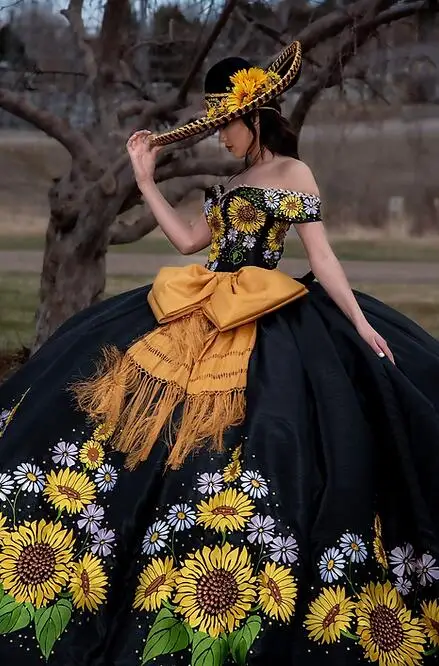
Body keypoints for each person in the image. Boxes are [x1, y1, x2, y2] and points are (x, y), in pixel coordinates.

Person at [0, 40, 438, 666]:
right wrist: (146, 180)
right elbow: (184, 241)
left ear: (254, 117)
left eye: (226, 125)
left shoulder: (294, 174)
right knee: (115, 406)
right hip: (200, 302)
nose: (221, 138)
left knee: (265, 428)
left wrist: (361, 323)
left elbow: (322, 258)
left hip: (265, 311)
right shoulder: (232, 180)